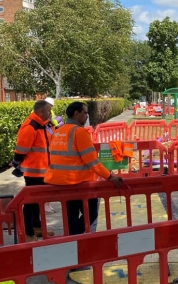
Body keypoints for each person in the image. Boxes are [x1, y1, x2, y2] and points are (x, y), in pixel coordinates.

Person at [44, 101, 126, 235]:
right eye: (85, 113)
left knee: (71, 216)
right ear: (76, 114)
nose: (87, 116)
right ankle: (76, 239)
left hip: (60, 182)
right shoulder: (79, 132)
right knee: (91, 214)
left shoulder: (58, 132)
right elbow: (92, 162)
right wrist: (110, 177)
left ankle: (72, 241)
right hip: (78, 182)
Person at [12, 99, 54, 242]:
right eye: (48, 110)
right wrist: (16, 163)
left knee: (38, 201)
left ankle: (36, 226)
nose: (50, 113)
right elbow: (21, 149)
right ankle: (27, 232)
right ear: (41, 111)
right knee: (30, 203)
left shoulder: (43, 125)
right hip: (33, 172)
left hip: (43, 170)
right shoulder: (31, 126)